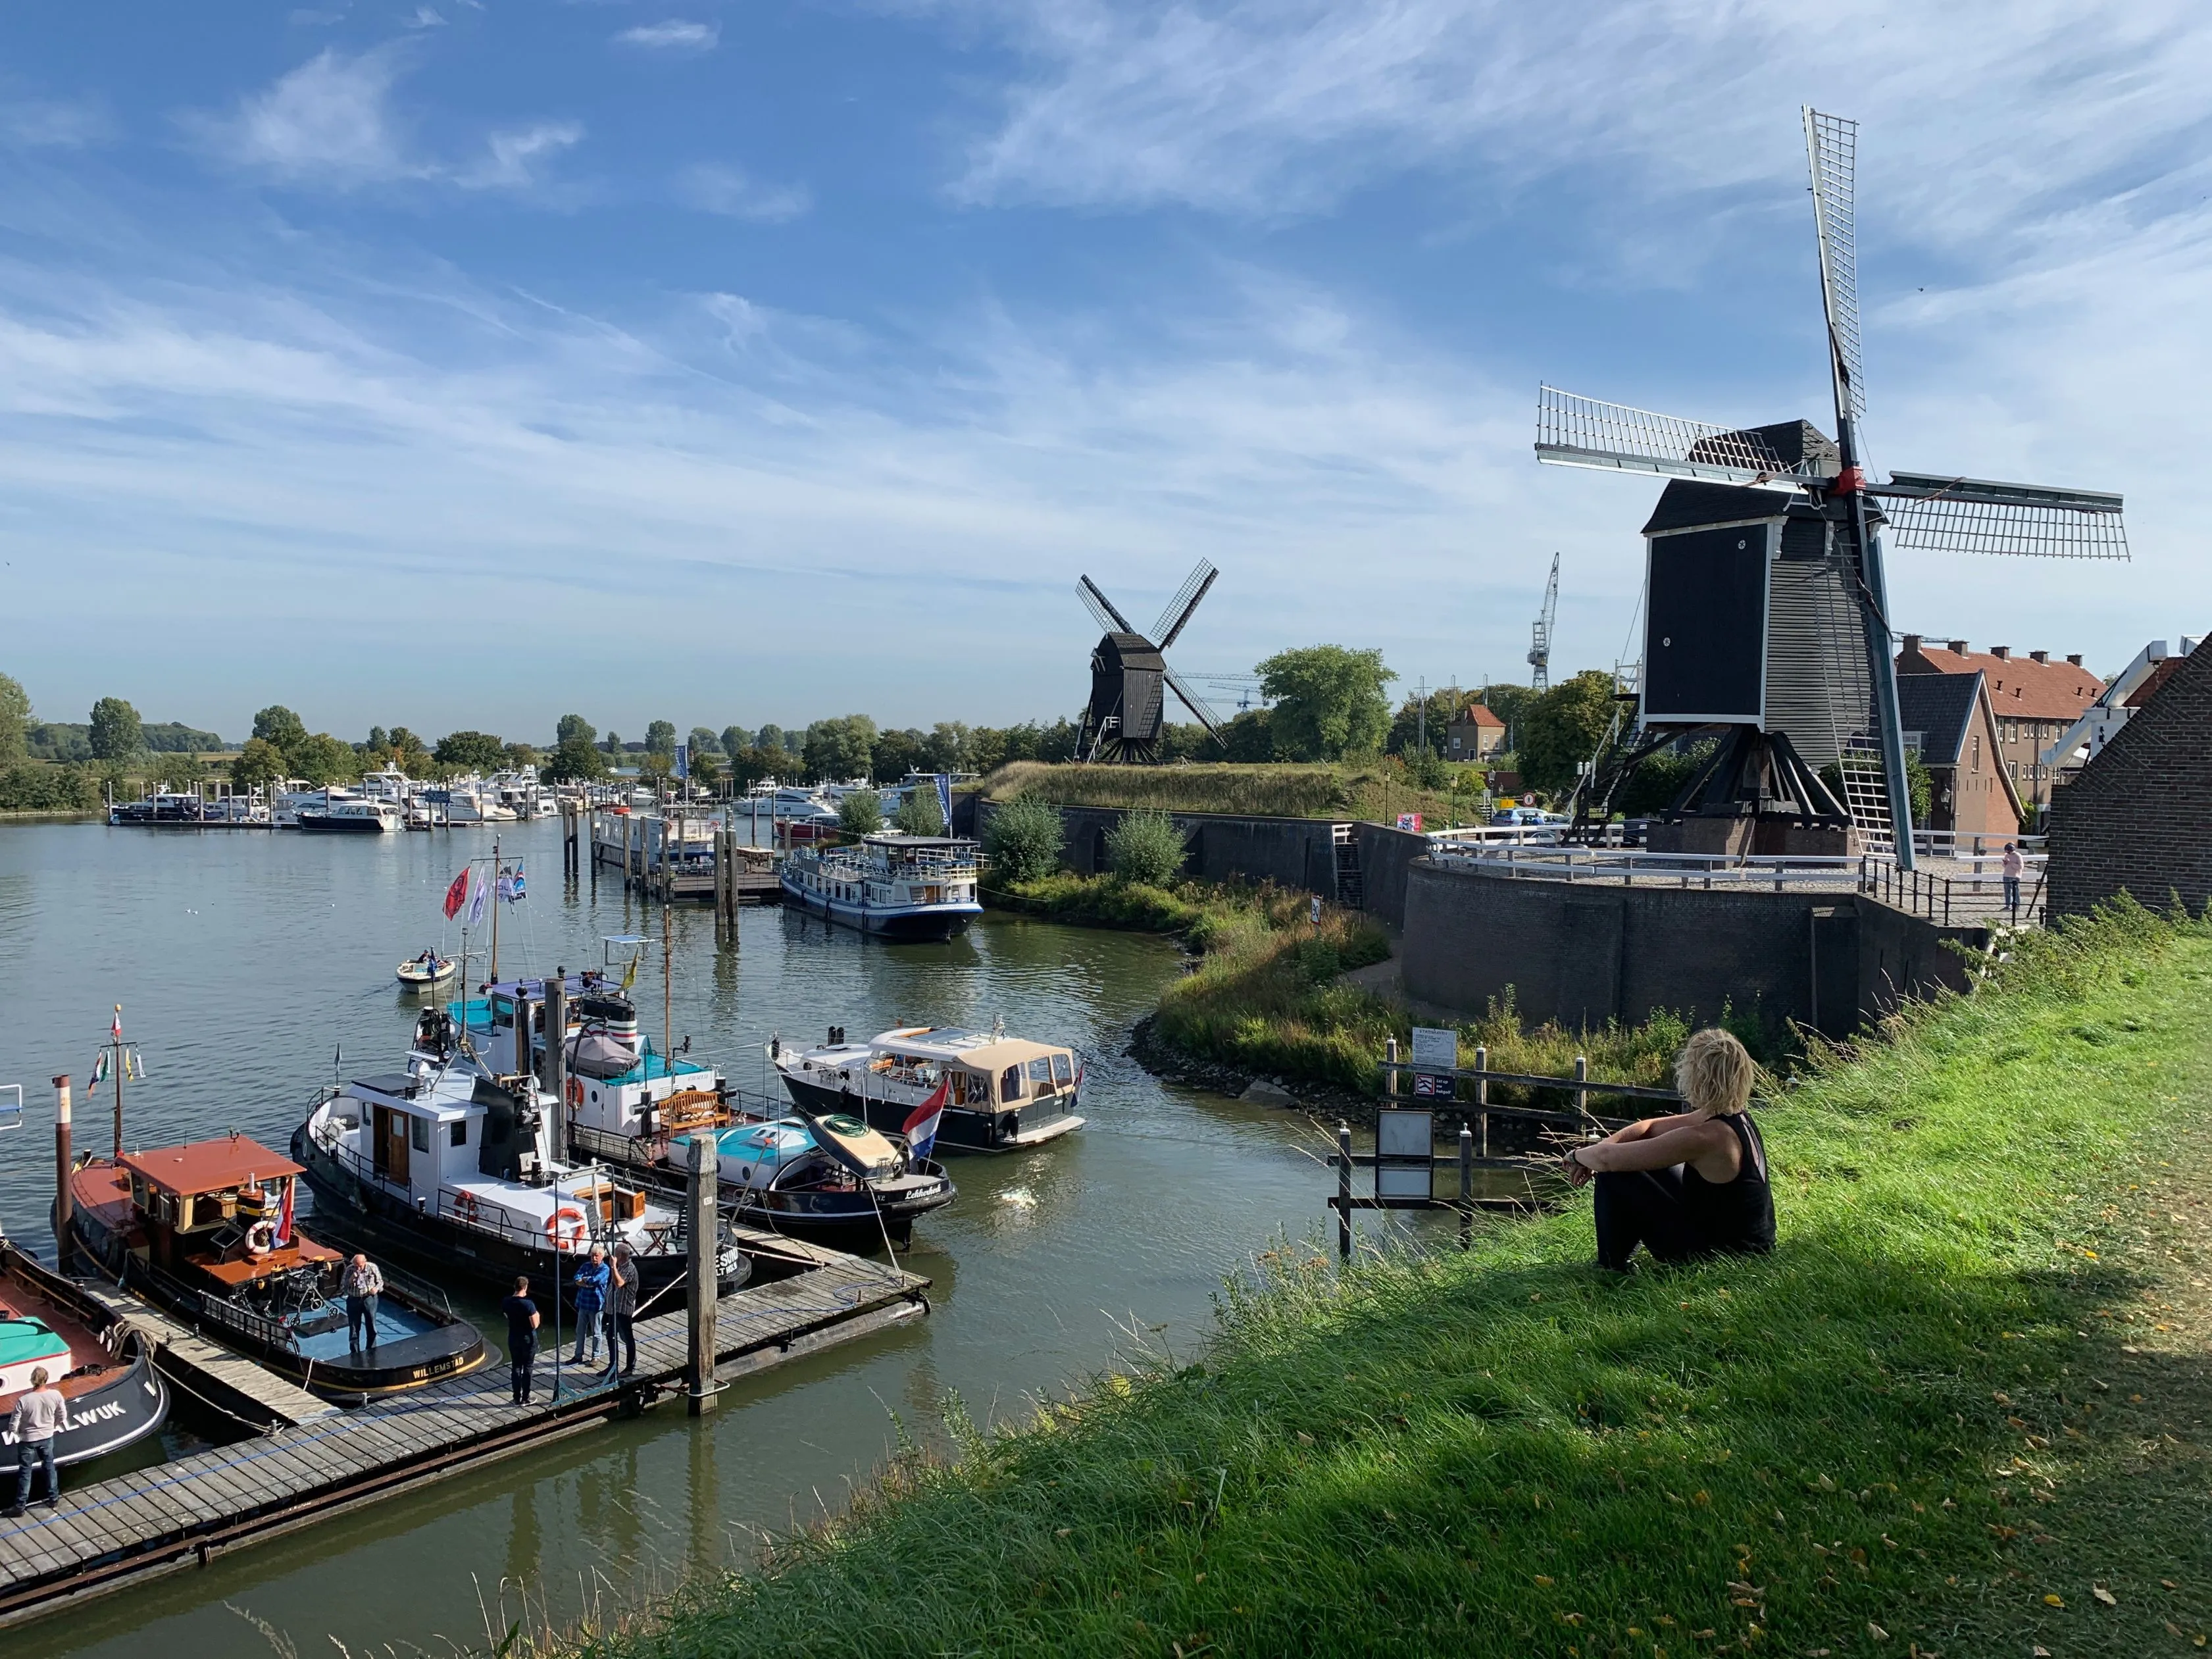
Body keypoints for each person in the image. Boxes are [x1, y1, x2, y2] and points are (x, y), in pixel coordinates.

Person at [1560, 1027, 1775, 1271]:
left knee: (1614, 1174)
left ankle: (1612, 1268)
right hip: (1740, 1244)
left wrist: (1575, 1155)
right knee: (1633, 1162)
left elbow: (1607, 1161)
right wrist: (1601, 1147)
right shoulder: (1732, 1116)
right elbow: (1648, 1127)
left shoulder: (1708, 1137)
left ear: (1699, 1077)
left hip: (1722, 1259)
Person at [3, 1367, 70, 1515]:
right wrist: (51, 1426)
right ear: (46, 1379)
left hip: (28, 1440)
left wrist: (20, 1433)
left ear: (32, 1380)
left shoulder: (24, 1400)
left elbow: (13, 1424)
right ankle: (53, 1498)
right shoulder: (55, 1395)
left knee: (26, 1472)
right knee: (49, 1467)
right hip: (47, 1437)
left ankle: (20, 1506)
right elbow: (62, 1416)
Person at [601, 1242, 638, 1381]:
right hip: (614, 1310)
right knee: (611, 1336)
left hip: (623, 1311)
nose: (613, 1256)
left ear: (621, 1256)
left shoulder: (630, 1269)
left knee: (627, 1337)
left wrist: (612, 1267)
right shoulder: (620, 1267)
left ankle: (630, 1367)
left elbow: (619, 1283)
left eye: (616, 1254)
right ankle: (613, 1365)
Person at [503, 1276, 540, 1406]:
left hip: (513, 1337)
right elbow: (535, 1324)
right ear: (525, 1287)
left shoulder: (506, 1301)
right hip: (528, 1339)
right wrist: (538, 1316)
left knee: (516, 1367)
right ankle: (526, 1397)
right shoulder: (528, 1304)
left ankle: (516, 1397)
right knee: (528, 1367)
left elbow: (507, 1316)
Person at [571, 1244, 610, 1368]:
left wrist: (585, 1281)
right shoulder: (586, 1266)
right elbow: (576, 1278)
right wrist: (587, 1282)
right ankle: (578, 1355)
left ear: (602, 1257)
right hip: (583, 1304)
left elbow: (596, 1281)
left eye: (597, 1256)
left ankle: (596, 1356)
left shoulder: (605, 1269)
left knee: (596, 1332)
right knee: (580, 1331)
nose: (594, 1258)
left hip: (596, 1306)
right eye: (592, 1255)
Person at [342, 1252, 384, 1350]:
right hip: (354, 1299)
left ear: (365, 1262)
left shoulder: (372, 1268)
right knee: (354, 1327)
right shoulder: (349, 1269)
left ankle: (371, 1349)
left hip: (369, 1299)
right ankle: (355, 1352)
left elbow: (380, 1282)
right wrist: (351, 1279)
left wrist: (376, 1289)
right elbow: (343, 1285)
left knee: (371, 1324)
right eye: (356, 1266)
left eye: (360, 1266)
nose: (358, 1268)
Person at [2001, 841, 2024, 916]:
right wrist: (2005, 863)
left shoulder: (2018, 856)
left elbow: (2021, 867)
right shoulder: (2006, 855)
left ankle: (2017, 905)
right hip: (2006, 875)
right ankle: (2008, 905)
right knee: (2007, 891)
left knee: (2015, 891)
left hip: (2015, 876)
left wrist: (2012, 864)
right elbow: (2005, 866)